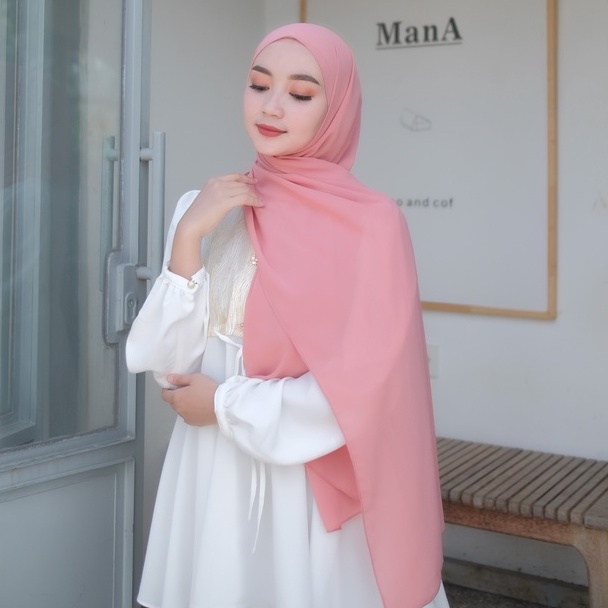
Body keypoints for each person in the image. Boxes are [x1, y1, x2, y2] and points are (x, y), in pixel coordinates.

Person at [127, 22, 449, 608]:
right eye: (258, 85)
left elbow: (366, 392)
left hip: (301, 478)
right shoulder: (207, 209)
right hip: (210, 470)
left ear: (337, 109)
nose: (271, 106)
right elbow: (167, 364)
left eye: (300, 93)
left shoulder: (372, 225)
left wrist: (224, 406)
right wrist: (189, 237)